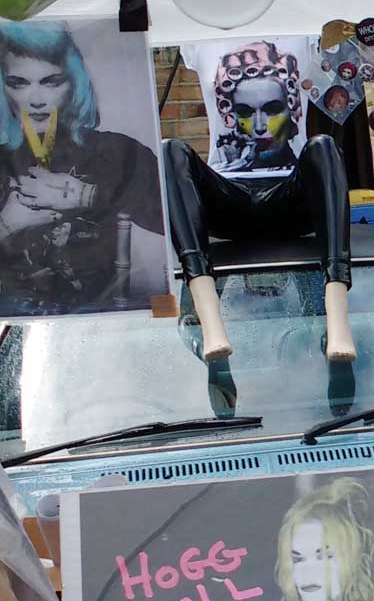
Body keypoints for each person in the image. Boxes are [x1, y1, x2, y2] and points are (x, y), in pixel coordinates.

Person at [163, 39, 354, 361]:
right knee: (170, 149)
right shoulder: (196, 34)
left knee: (323, 145)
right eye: (245, 112)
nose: (261, 125)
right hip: (229, 199)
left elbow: (356, 62)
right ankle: (209, 318)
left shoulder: (303, 29)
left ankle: (337, 315)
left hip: (290, 197)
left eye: (273, 109)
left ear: (291, 106)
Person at [0, 18, 164, 315]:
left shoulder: (115, 151)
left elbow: (169, 221)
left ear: (74, 82)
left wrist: (87, 196)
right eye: (18, 83)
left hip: (108, 320)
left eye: (51, 81)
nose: (36, 100)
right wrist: (8, 224)